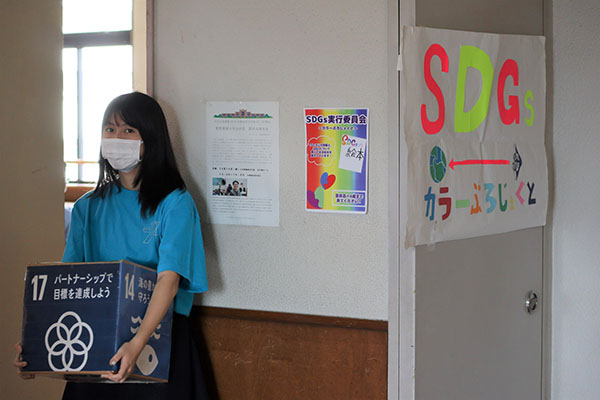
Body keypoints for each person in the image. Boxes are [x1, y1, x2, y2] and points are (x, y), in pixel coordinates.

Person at [14, 92, 210, 399]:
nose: (116, 137)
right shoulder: (86, 208)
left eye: (128, 130)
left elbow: (168, 281)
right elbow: (66, 283)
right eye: (109, 129)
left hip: (158, 342)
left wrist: (137, 343)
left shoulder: (175, 204)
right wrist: (38, 345)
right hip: (96, 341)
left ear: (151, 139)